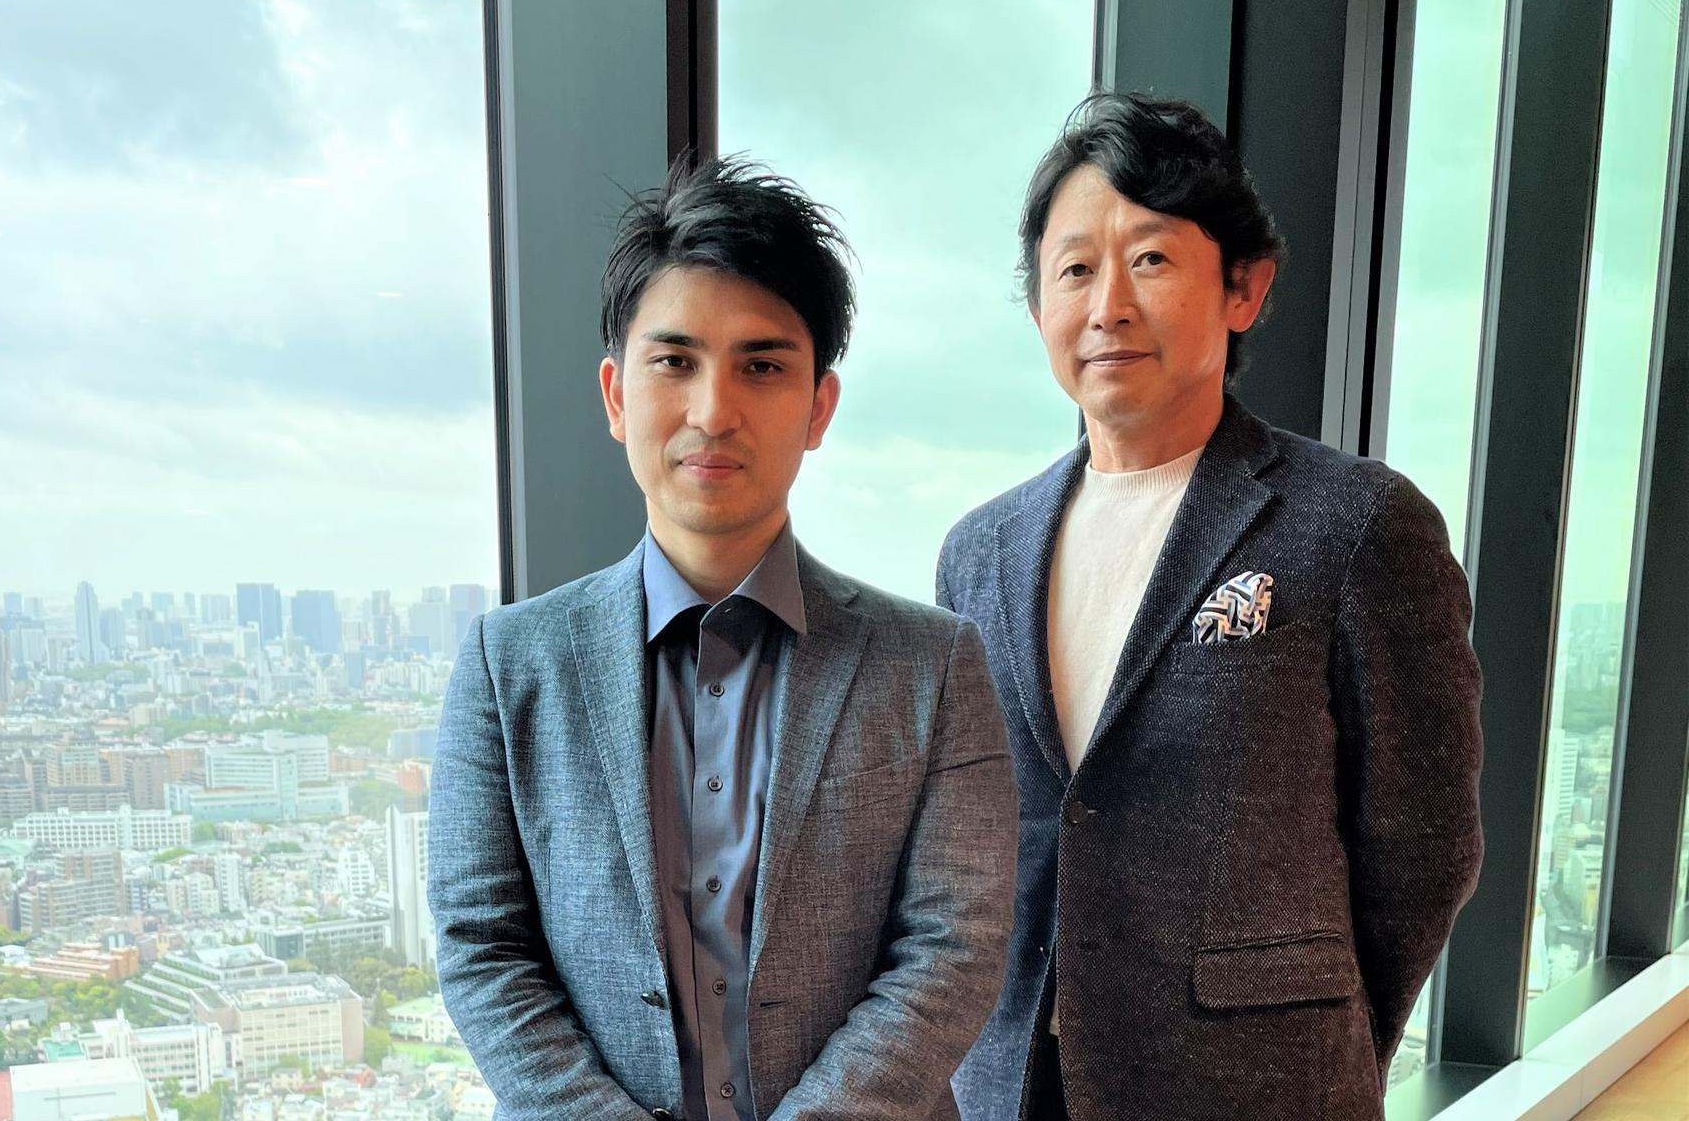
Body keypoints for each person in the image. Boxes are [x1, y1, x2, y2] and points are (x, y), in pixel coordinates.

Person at [430, 156, 1018, 1120]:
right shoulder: (509, 667)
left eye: (762, 365)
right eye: (675, 362)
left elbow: (954, 947)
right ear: (617, 396)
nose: (713, 411)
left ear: (818, 407)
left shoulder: (934, 665)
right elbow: (482, 947)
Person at [939, 93, 1484, 1120]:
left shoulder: (1356, 524)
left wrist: (1320, 1034)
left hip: (1255, 1084)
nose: (1107, 305)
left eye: (1149, 258)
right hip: (1014, 1080)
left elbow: (1425, 844)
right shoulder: (979, 551)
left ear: (1243, 287)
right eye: (1073, 270)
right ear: (1038, 307)